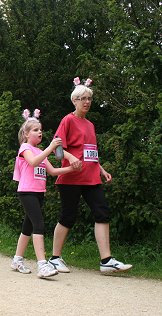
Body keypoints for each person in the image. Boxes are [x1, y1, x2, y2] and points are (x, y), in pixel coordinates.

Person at [48, 77, 132, 274]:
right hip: (71, 178)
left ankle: (106, 260)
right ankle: (54, 258)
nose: (87, 102)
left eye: (89, 99)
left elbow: (89, 152)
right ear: (74, 101)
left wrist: (101, 169)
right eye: (82, 98)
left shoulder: (90, 125)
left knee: (102, 212)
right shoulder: (68, 120)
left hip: (91, 177)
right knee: (68, 216)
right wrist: (69, 158)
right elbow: (56, 147)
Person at [12, 109, 74, 278]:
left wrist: (72, 168)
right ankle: (42, 265)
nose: (40, 132)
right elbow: (32, 162)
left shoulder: (40, 151)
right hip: (27, 192)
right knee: (39, 225)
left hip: (39, 193)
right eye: (35, 130)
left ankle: (17, 260)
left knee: (28, 226)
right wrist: (51, 147)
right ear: (26, 134)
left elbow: (53, 171)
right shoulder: (25, 148)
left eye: (41, 130)